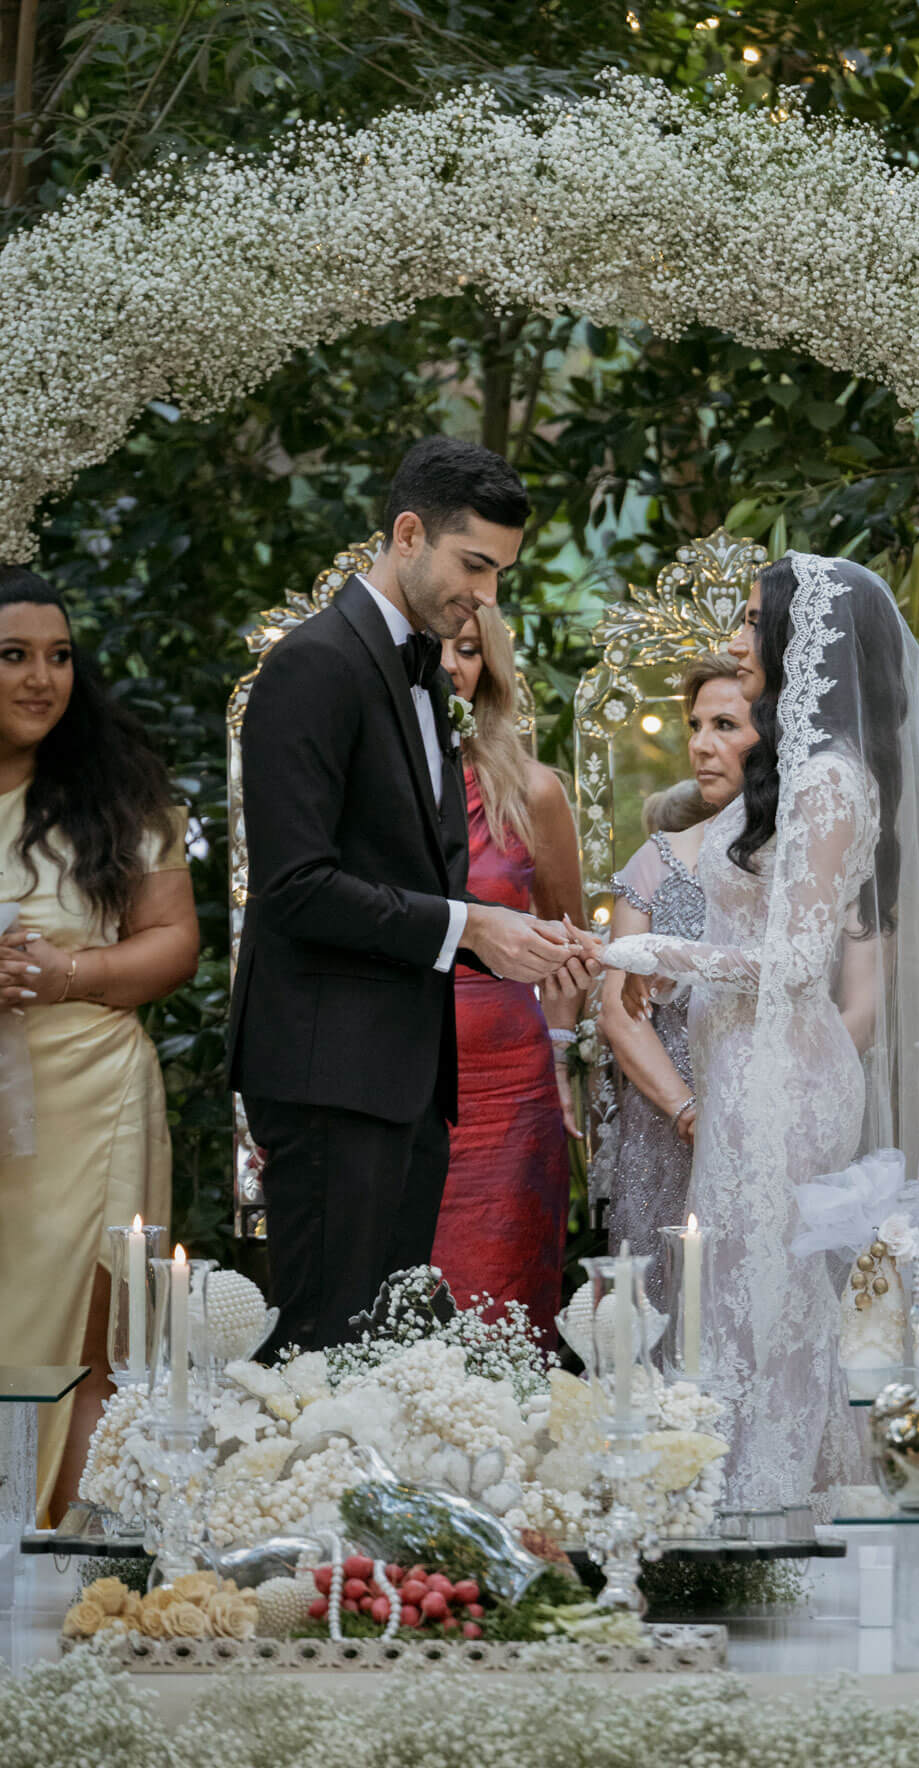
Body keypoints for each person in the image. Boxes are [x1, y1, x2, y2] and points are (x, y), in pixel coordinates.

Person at [602, 554, 919, 1513]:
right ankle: (749, 1498)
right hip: (743, 1064)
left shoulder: (829, 782)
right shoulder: (793, 773)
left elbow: (798, 963)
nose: (736, 640)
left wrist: (650, 954)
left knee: (770, 1301)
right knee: (741, 1295)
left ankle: (775, 1509)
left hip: (785, 1074)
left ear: (803, 638)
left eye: (749, 619)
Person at [228, 438, 597, 1353]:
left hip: (405, 1080)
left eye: (500, 573)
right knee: (326, 1354)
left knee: (385, 1361)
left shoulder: (421, 671)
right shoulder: (315, 664)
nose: (486, 594)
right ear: (405, 535)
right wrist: (471, 926)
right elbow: (294, 887)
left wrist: (512, 943)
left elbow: (408, 871)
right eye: (473, 564)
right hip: (330, 1077)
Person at [0, 566, 199, 1524]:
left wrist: (65, 974)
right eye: (13, 656)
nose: (42, 678)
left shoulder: (119, 799)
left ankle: (69, 1555)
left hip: (91, 1095)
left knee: (94, 1342)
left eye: (59, 657)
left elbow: (173, 946)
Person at [430, 605, 586, 1344]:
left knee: (501, 1316)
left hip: (508, 1094)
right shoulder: (365, 787)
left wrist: (560, 1052)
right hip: (392, 1084)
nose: (450, 665)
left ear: (489, 669)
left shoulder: (532, 791)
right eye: (434, 647)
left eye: (468, 650)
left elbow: (568, 940)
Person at [602, 653, 756, 1302]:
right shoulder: (656, 861)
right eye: (696, 726)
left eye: (725, 725)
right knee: (665, 1307)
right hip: (665, 1130)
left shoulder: (812, 865)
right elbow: (619, 1010)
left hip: (771, 1117)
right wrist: (688, 1111)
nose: (699, 745)